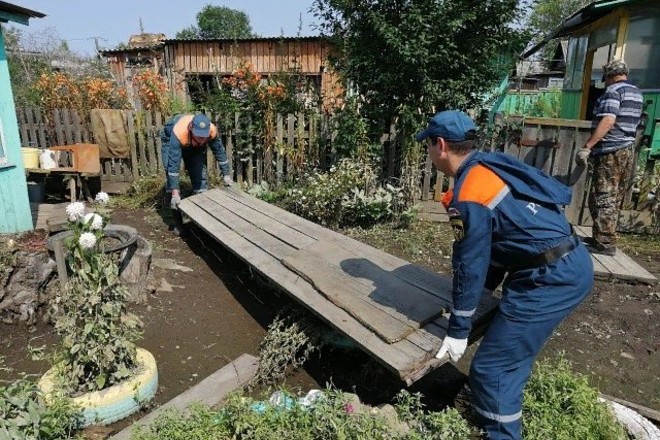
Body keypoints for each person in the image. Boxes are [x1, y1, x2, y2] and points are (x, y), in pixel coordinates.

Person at [417, 110, 593, 440]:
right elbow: (501, 240)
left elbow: (471, 262)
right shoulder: (490, 166)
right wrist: (481, 295)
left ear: (440, 145)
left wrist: (459, 328)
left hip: (550, 278)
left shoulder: (469, 194)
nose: (428, 151)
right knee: (508, 358)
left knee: (492, 369)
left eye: (427, 145)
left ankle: (502, 434)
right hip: (565, 262)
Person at [575, 59, 643, 256]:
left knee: (603, 196)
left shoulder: (613, 91)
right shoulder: (636, 93)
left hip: (610, 150)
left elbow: (608, 120)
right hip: (627, 149)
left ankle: (605, 244)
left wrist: (588, 146)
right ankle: (601, 237)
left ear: (609, 75)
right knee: (614, 197)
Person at [160, 113, 232, 234]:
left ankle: (201, 224)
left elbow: (219, 151)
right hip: (170, 138)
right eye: (199, 136)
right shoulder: (179, 132)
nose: (203, 140)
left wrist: (226, 174)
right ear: (191, 128)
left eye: (205, 137)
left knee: (200, 178)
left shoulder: (212, 131)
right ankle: (178, 224)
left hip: (193, 145)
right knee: (171, 176)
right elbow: (173, 165)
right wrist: (175, 193)